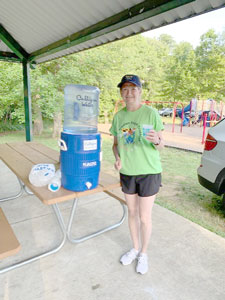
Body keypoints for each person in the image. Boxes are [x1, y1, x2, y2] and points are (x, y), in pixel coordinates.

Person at [110, 74, 164, 275]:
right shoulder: (119, 117)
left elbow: (162, 145)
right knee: (131, 213)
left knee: (144, 216)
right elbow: (116, 145)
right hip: (127, 172)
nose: (129, 92)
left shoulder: (151, 114)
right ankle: (134, 248)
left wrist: (158, 141)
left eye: (133, 88)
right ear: (121, 93)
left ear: (140, 91)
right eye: (125, 89)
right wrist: (117, 158)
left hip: (149, 172)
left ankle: (144, 253)